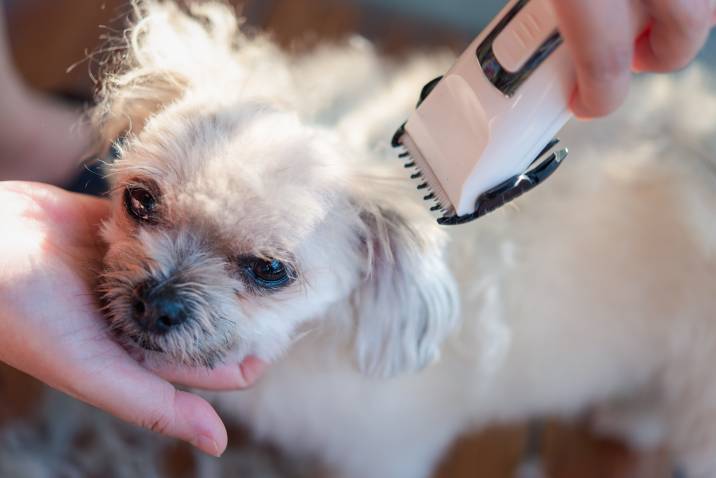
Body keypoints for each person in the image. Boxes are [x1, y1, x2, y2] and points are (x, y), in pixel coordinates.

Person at [0, 0, 713, 458]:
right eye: (144, 204)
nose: (159, 293)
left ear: (376, 271)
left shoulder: (356, 407)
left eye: (264, 270)